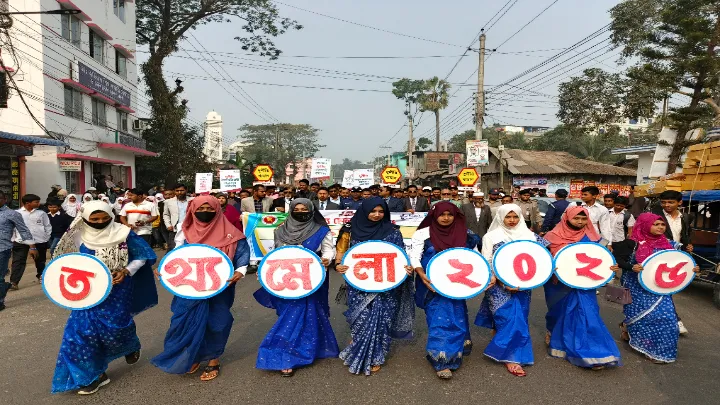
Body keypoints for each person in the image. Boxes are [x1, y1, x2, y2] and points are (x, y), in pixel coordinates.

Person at [51, 201, 157, 394]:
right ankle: (91, 376)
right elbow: (63, 260)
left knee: (115, 329)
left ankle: (129, 345)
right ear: (84, 218)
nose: (100, 222)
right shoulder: (75, 235)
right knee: (79, 333)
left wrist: (126, 270)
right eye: (95, 219)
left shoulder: (123, 233)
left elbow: (142, 256)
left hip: (118, 289)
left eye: (105, 218)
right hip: (86, 292)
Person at [152, 196, 249, 381]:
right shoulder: (184, 231)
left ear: (217, 209)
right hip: (189, 288)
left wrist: (241, 271)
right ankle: (193, 355)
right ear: (193, 209)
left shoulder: (230, 232)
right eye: (201, 208)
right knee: (183, 320)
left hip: (220, 287)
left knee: (217, 321)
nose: (206, 212)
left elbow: (242, 253)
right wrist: (164, 267)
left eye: (210, 208)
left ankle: (213, 359)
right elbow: (175, 254)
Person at [254, 199, 339, 377]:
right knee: (289, 315)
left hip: (311, 278)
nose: (301, 212)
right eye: (297, 209)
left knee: (308, 313)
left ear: (311, 211)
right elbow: (275, 253)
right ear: (291, 211)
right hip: (285, 281)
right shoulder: (280, 231)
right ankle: (290, 351)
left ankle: (289, 355)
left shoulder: (321, 231)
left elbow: (329, 250)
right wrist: (265, 270)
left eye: (305, 209)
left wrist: (326, 259)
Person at [334, 198, 414, 375]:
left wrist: (406, 268)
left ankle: (376, 355)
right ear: (364, 210)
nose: (377, 215)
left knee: (383, 319)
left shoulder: (393, 231)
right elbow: (340, 254)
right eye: (373, 211)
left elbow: (400, 256)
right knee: (361, 317)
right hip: (359, 284)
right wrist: (338, 265)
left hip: (387, 285)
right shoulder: (349, 230)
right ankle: (359, 342)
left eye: (381, 211)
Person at [409, 202, 482, 379]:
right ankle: (440, 359)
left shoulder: (466, 234)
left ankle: (454, 352)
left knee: (457, 317)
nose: (446, 218)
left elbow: (474, 256)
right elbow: (415, 256)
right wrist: (421, 274)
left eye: (450, 214)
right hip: (431, 284)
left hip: (456, 285)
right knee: (439, 319)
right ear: (434, 215)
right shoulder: (422, 234)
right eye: (442, 214)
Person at [613, 213, 699, 364]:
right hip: (636, 287)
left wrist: (692, 268)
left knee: (667, 318)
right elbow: (617, 259)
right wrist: (631, 266)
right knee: (642, 317)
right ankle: (632, 331)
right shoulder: (632, 243)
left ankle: (659, 350)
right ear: (645, 224)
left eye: (662, 225)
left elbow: (680, 262)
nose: (660, 227)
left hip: (660, 289)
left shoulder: (669, 244)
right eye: (656, 224)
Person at [543, 206, 621, 369]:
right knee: (558, 313)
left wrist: (611, 267)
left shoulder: (595, 238)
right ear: (567, 218)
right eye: (576, 218)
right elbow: (541, 258)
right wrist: (551, 267)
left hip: (585, 285)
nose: (580, 222)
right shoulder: (551, 236)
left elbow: (604, 258)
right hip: (558, 284)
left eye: (583, 219)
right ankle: (555, 336)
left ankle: (591, 352)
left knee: (588, 314)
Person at [476, 204, 549, 376]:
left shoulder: (530, 236)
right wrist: (498, 279)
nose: (512, 220)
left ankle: (507, 348)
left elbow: (542, 258)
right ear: (500, 217)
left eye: (515, 217)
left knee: (518, 319)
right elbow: (487, 260)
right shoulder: (491, 236)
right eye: (508, 217)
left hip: (522, 286)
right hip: (498, 286)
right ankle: (512, 358)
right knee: (507, 318)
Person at [652, 190, 693, 335]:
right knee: (663, 288)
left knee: (667, 288)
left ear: (679, 202)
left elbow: (685, 234)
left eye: (671, 202)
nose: (666, 205)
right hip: (658, 255)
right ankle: (676, 320)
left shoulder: (685, 217)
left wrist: (688, 245)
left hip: (677, 257)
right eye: (664, 202)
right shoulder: (655, 216)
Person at [0, 191, 35, 311]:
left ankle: (0, 302)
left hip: (3, 249)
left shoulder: (12, 214)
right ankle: (4, 286)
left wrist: (32, 246)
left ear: (5, 199)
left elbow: (24, 230)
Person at [10, 194, 51, 289]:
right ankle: (14, 282)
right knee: (18, 261)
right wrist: (13, 239)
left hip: (39, 241)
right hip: (21, 242)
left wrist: (46, 237)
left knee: (40, 260)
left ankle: (41, 275)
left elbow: (47, 226)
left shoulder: (41, 213)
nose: (39, 203)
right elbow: (12, 228)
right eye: (36, 202)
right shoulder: (17, 213)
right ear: (28, 203)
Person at [163, 184, 193, 250]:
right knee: (173, 248)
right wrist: (168, 225)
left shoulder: (192, 200)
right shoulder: (168, 202)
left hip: (190, 228)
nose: (179, 192)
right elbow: (166, 215)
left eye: (182, 190)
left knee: (190, 247)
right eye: (177, 191)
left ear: (186, 190)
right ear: (174, 191)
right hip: (174, 229)